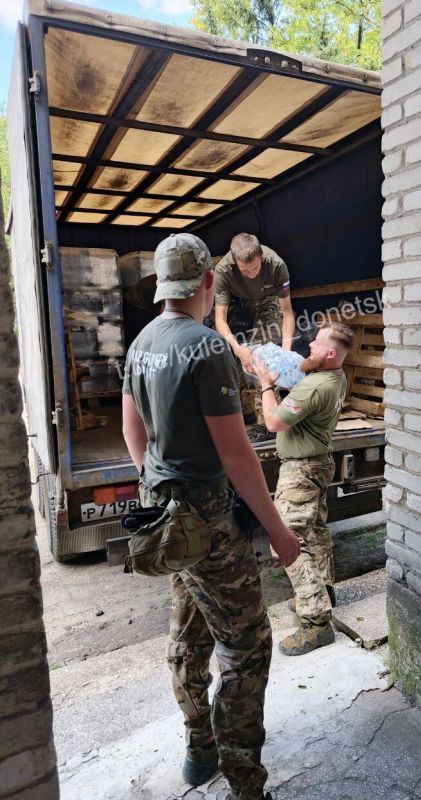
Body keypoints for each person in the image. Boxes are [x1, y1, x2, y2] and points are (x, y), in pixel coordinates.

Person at [121, 232, 300, 799]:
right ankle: (246, 783)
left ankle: (200, 751)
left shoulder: (141, 342)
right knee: (247, 647)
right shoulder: (206, 347)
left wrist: (156, 488)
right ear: (205, 282)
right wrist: (277, 528)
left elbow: (134, 432)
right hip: (209, 522)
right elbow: (234, 451)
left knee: (190, 632)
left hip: (169, 519)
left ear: (160, 285)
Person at [253, 321, 354, 657]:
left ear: (330, 353)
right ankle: (323, 590)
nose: (309, 345)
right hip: (319, 462)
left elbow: (273, 422)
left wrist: (266, 385)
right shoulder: (335, 377)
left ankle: (315, 623)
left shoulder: (315, 387)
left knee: (287, 544)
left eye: (316, 342)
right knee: (314, 534)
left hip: (301, 470)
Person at [214, 233, 296, 425]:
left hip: (267, 300)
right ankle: (244, 410)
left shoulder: (276, 264)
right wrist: (237, 348)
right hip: (237, 303)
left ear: (261, 256)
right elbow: (220, 320)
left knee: (262, 354)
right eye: (245, 270)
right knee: (229, 355)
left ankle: (266, 421)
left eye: (256, 268)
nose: (252, 274)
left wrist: (286, 352)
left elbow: (288, 313)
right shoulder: (223, 270)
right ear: (234, 262)